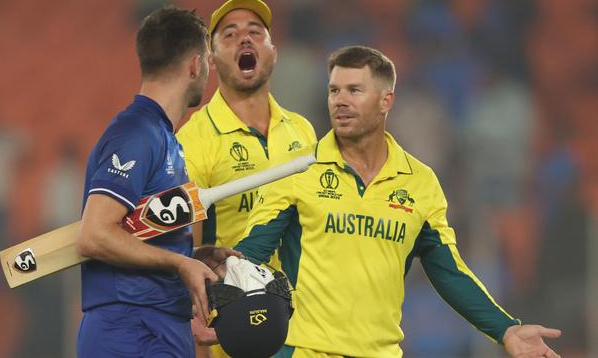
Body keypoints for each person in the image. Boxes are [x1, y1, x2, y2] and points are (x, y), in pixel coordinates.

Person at [234, 45, 562, 358]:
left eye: (354, 90)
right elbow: (248, 257)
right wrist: (220, 303)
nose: (340, 101)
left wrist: (505, 329)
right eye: (334, 90)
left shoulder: (419, 182)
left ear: (386, 101)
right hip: (303, 350)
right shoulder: (297, 171)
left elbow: (448, 272)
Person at [75, 6, 240, 358]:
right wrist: (180, 264)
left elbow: (131, 231)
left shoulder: (164, 138)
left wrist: (191, 256)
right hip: (131, 330)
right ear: (195, 65)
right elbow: (94, 234)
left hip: (159, 325)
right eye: (208, 62)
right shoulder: (136, 134)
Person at [176, 0, 316, 356]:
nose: (245, 39)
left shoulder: (303, 133)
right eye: (230, 34)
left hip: (307, 332)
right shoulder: (192, 141)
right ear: (211, 59)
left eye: (256, 32)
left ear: (273, 51)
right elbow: (182, 255)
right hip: (234, 334)